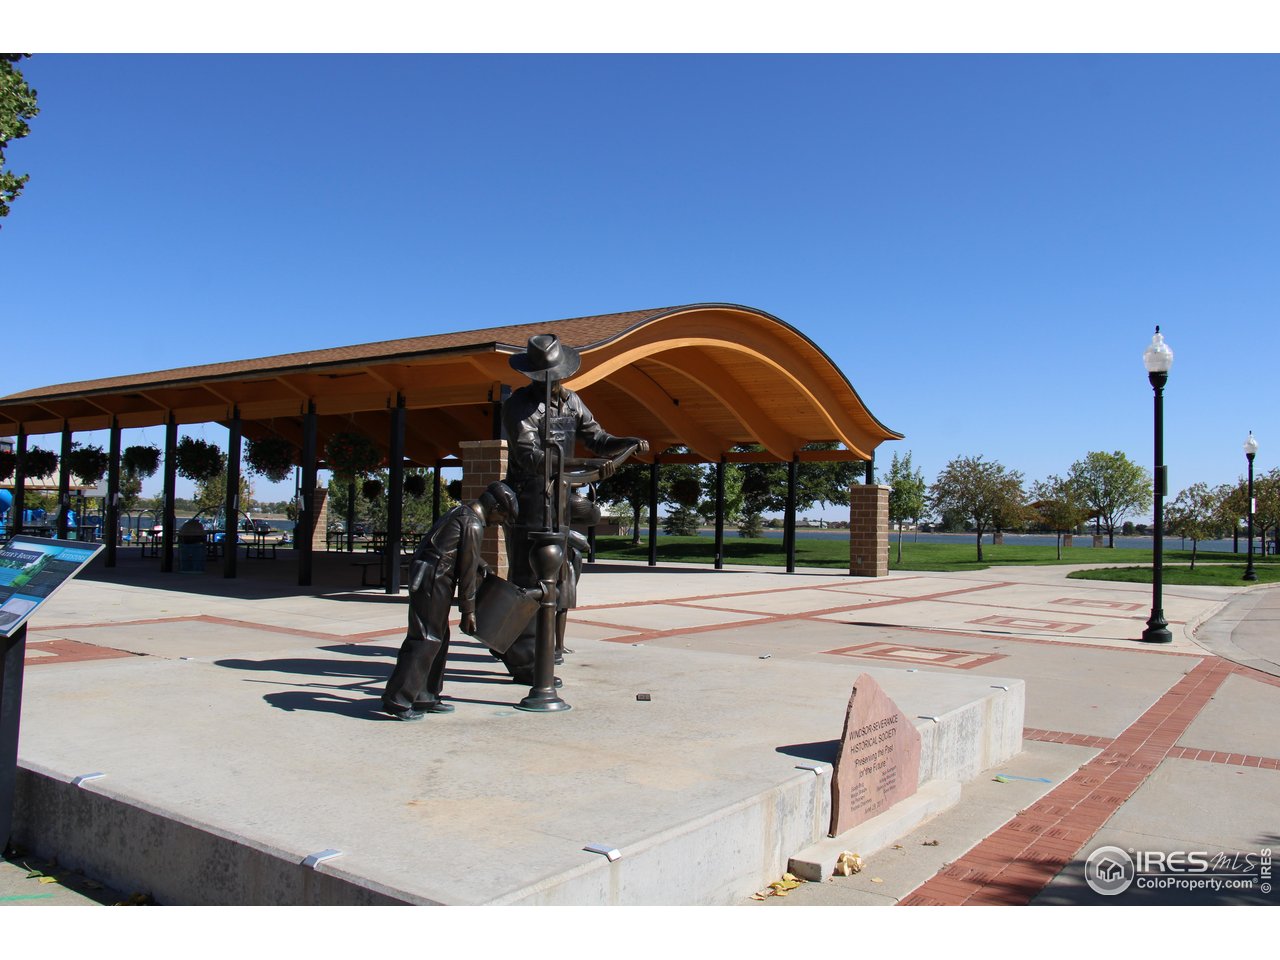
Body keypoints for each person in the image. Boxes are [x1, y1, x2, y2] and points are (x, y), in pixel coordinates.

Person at [500, 333, 648, 684]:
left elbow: (598, 438)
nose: (552, 382)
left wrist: (625, 444)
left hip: (560, 499)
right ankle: (519, 656)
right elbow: (528, 456)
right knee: (526, 578)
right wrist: (575, 466)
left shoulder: (572, 402)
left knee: (559, 575)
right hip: (530, 500)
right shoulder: (519, 406)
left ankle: (545, 650)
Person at [380, 481, 518, 720]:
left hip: (431, 578)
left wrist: (482, 565)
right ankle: (398, 700)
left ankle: (426, 694)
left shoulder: (460, 512)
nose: (499, 523)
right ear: (494, 506)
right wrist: (469, 612)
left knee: (439, 637)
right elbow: (466, 574)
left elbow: (458, 552)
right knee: (426, 637)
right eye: (501, 516)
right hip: (433, 581)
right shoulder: (473, 524)